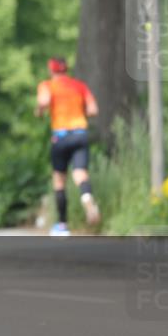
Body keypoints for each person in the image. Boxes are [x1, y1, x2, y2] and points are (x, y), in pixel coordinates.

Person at [36, 56, 100, 236]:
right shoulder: (79, 85)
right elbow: (94, 110)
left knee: (59, 180)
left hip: (61, 136)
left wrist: (40, 110)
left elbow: (44, 101)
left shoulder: (47, 85)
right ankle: (88, 200)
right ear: (66, 69)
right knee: (80, 174)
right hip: (80, 133)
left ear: (51, 70)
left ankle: (62, 225)